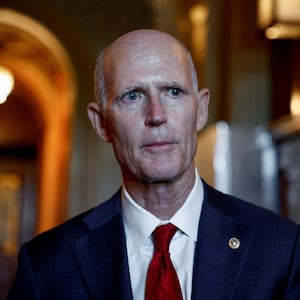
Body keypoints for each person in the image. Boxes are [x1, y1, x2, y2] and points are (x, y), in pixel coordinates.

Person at [8, 29, 300, 300]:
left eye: (173, 91)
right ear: (101, 124)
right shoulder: (46, 265)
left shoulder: (283, 249)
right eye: (132, 96)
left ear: (200, 110)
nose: (156, 115)